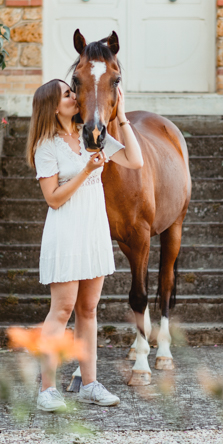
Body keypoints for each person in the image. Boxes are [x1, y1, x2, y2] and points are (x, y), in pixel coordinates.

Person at [26, 78, 143, 411]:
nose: (75, 96)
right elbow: (53, 199)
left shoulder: (91, 134)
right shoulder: (46, 146)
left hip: (93, 229)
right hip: (65, 231)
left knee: (89, 309)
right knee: (62, 310)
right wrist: (86, 170)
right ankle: (47, 390)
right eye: (67, 94)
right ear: (52, 105)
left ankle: (90, 384)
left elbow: (135, 161)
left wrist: (120, 117)